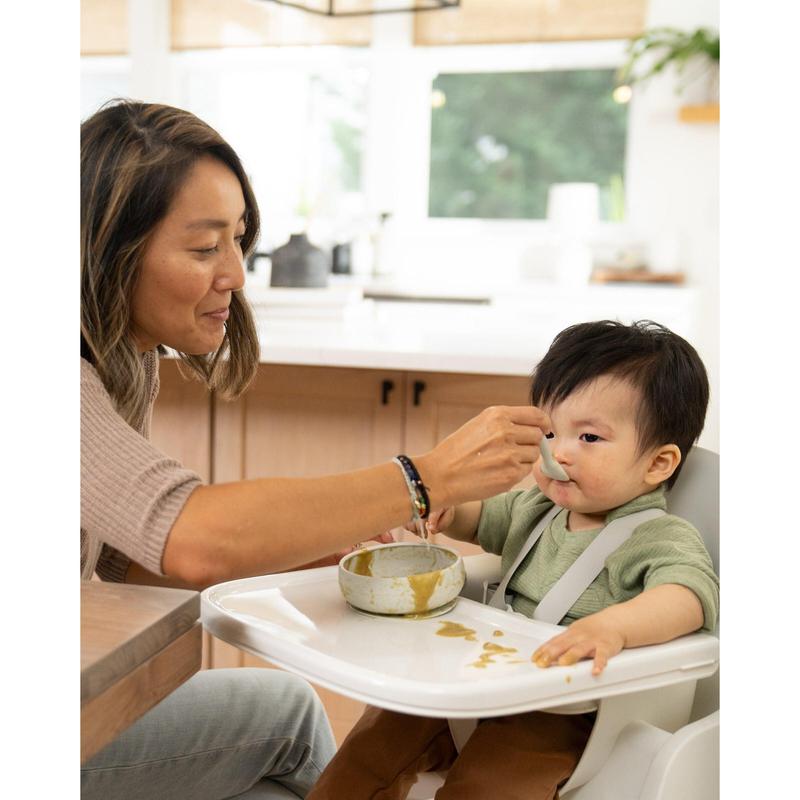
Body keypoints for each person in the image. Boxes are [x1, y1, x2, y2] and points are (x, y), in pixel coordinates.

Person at [80, 99, 553, 800]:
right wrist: (426, 477)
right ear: (109, 250)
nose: (236, 273)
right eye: (205, 248)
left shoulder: (126, 361)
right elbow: (190, 536)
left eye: (239, 240)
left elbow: (123, 557)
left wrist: (313, 550)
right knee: (290, 720)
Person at [306, 320, 720, 800]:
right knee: (377, 739)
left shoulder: (658, 536)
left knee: (488, 784)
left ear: (657, 464)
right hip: (480, 677)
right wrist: (447, 506)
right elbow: (480, 519)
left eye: (589, 438)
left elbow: (688, 597)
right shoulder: (538, 509)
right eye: (551, 432)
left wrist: (615, 628)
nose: (559, 453)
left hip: (559, 711)